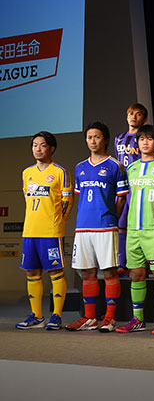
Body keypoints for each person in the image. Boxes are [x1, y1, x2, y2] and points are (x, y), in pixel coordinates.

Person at [66, 122, 128, 332]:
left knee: (109, 272)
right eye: (89, 137)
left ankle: (109, 318)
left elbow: (121, 199)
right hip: (83, 227)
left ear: (105, 139)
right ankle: (90, 317)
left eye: (97, 137)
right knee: (87, 273)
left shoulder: (115, 166)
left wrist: (111, 217)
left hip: (106, 227)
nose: (93, 141)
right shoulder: (80, 167)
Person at [116, 125, 154, 335]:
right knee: (136, 274)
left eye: (149, 139)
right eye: (141, 139)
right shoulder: (131, 168)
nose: (144, 142)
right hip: (134, 229)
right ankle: (138, 319)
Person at [16, 132, 73, 330]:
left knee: (55, 271)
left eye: (42, 145)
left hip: (51, 232)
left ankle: (56, 316)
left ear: (51, 148)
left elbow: (67, 202)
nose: (38, 149)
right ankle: (37, 316)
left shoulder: (60, 172)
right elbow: (28, 199)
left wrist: (58, 223)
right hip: (30, 231)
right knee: (31, 271)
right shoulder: (26, 173)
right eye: (34, 145)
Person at [114, 103, 148, 276]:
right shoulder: (119, 138)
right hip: (122, 186)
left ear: (145, 119)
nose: (134, 117)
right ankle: (122, 263)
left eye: (138, 114)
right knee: (121, 224)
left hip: (139, 186)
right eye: (131, 113)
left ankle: (142, 263)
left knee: (140, 224)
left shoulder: (145, 138)